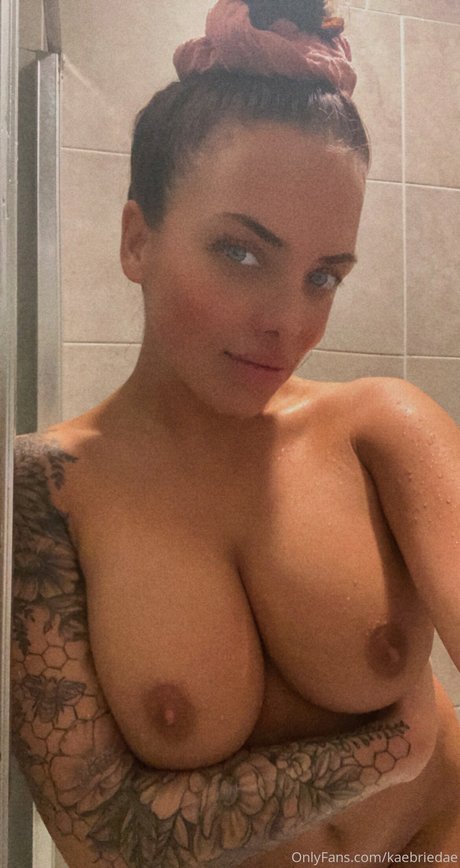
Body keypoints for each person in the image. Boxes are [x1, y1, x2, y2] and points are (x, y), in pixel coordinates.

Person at [12, 0, 460, 865]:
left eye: (324, 276)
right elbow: (103, 838)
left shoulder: (381, 428)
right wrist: (384, 752)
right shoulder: (50, 491)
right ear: (137, 241)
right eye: (241, 253)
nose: (288, 323)